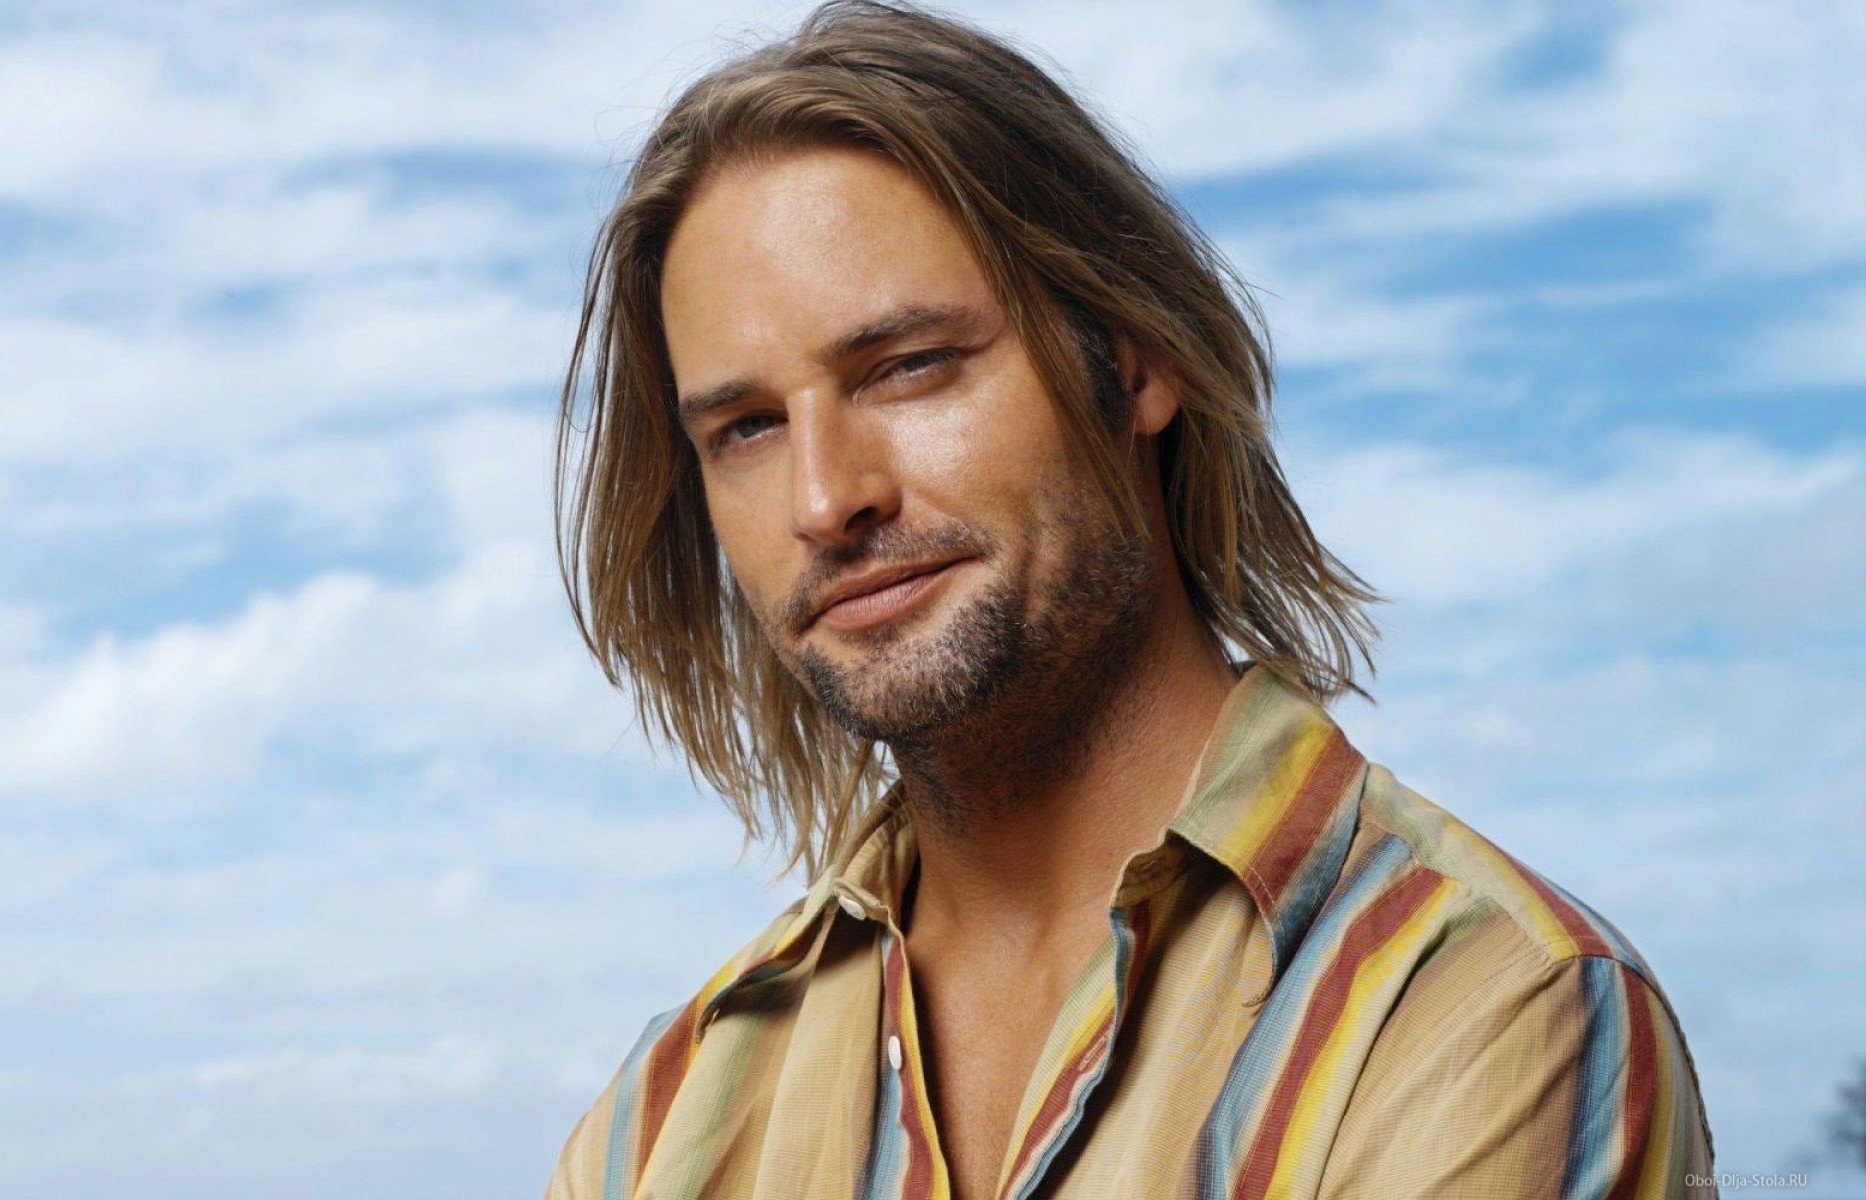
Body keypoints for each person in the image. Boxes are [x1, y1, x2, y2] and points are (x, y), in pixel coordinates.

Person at [544, 3, 1717, 1196]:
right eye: (745, 428)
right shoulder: (664, 1115)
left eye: (907, 368)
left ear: (1135, 353)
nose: (823, 498)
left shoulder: (1492, 1009)